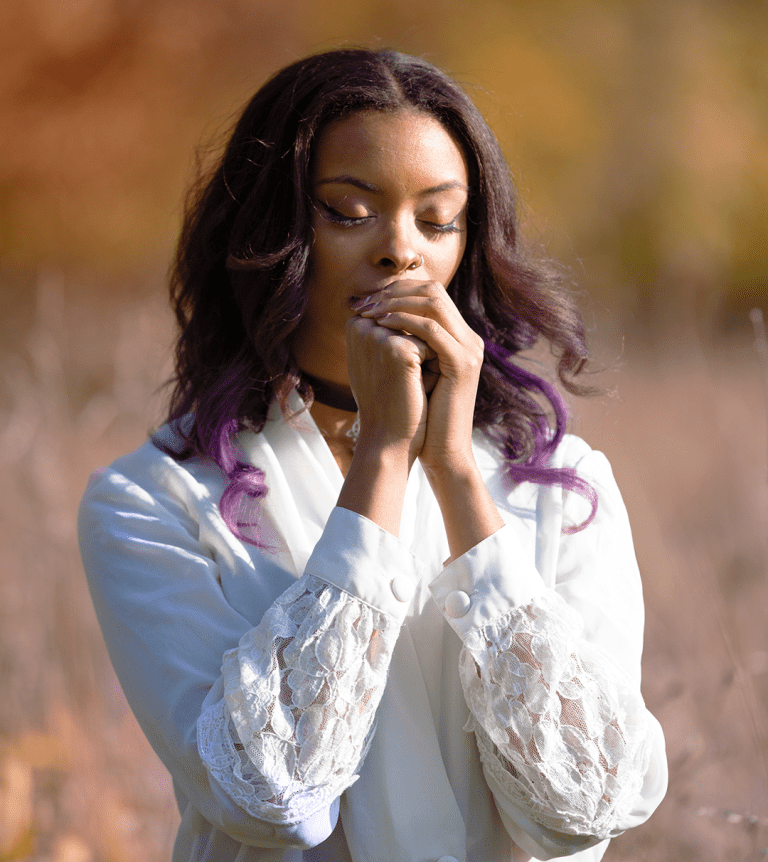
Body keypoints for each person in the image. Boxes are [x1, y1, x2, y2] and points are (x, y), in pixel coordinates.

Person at [79, 48, 667, 862]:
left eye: (437, 219)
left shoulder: (562, 489)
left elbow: (587, 803)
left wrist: (457, 475)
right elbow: (272, 799)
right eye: (350, 212)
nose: (401, 252)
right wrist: (384, 457)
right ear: (273, 231)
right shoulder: (156, 500)